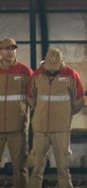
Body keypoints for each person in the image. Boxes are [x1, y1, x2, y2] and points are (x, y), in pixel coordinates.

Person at [28, 48, 84, 188]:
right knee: (36, 167)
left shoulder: (71, 75)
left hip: (61, 129)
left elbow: (79, 99)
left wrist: (66, 114)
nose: (51, 70)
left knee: (63, 168)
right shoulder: (36, 75)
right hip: (40, 128)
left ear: (61, 63)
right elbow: (30, 97)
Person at [0, 38, 32, 188]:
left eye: (13, 48)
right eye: (6, 48)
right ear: (0, 51)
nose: (10, 51)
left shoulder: (25, 72)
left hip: (17, 128)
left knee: (20, 167)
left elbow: (33, 97)